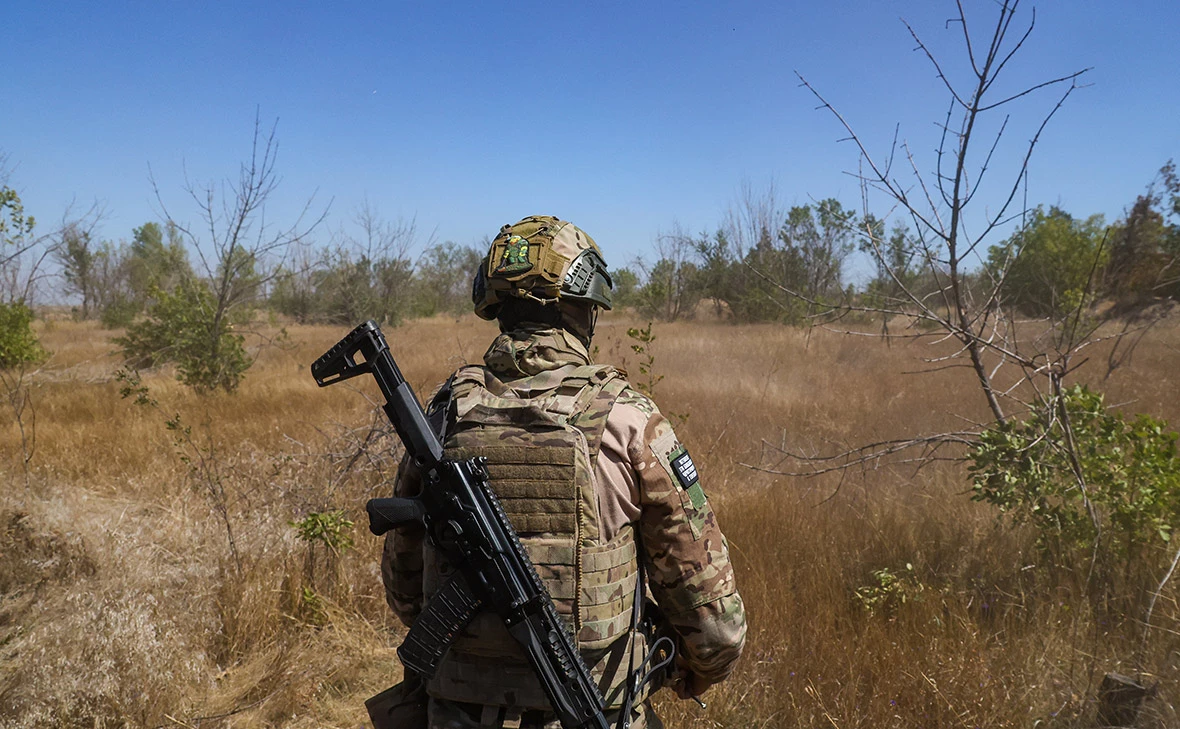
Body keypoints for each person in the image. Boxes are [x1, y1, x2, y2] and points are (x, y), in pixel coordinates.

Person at [381, 215, 746, 729]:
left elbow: (404, 590)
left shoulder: (443, 418)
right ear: (583, 308)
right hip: (592, 712)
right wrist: (689, 667)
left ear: (495, 305)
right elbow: (716, 628)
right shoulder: (627, 420)